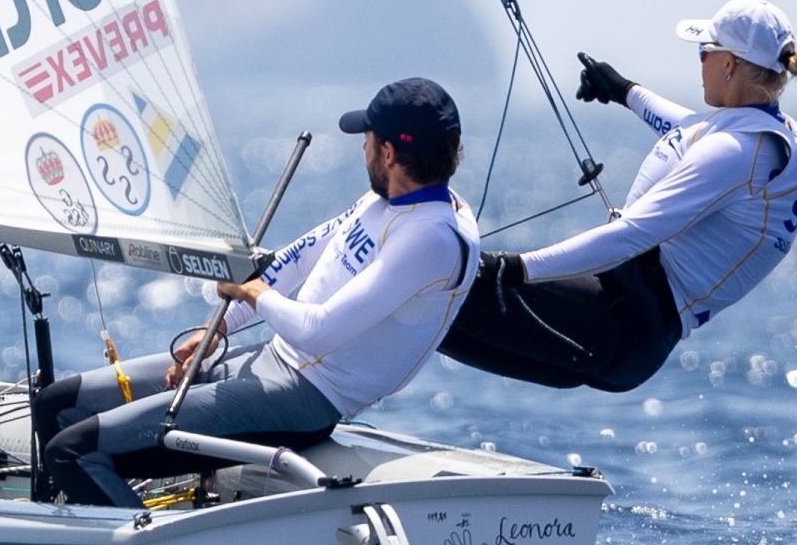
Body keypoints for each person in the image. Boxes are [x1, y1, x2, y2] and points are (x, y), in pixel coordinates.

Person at [33, 79, 480, 507]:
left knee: (71, 450)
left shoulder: (431, 238)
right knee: (57, 404)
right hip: (267, 359)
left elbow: (318, 332)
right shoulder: (382, 201)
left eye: (366, 138)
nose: (360, 147)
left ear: (388, 152)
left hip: (305, 398)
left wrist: (251, 293)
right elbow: (297, 259)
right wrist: (218, 328)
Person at [439, 0, 797, 391]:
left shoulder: (738, 155)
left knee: (435, 286)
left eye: (705, 50)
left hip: (617, 321)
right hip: (628, 330)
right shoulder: (784, 137)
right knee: (434, 320)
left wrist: (512, 268)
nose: (699, 60)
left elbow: (632, 234)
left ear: (729, 64)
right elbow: (693, 130)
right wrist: (624, 91)